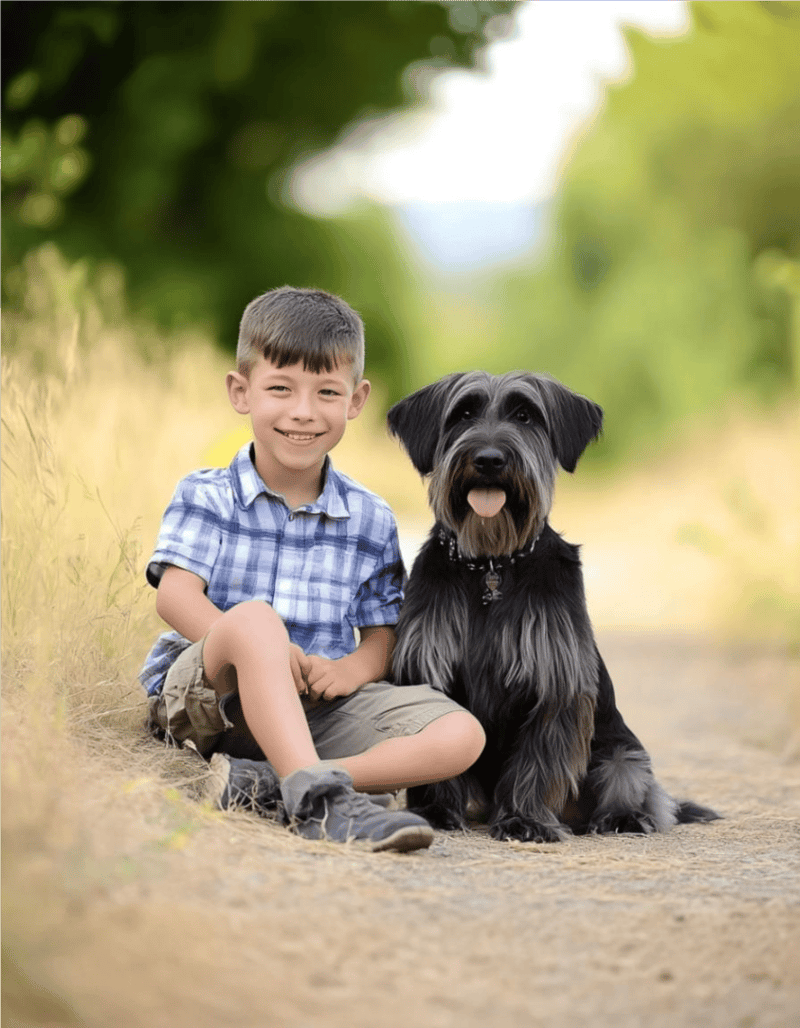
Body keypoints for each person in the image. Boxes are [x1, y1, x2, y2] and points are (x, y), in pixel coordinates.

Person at [139, 286, 485, 852]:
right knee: (255, 622)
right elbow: (175, 597)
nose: (303, 411)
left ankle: (278, 784)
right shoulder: (208, 494)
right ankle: (322, 805)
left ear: (356, 399)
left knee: (462, 734)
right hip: (210, 697)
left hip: (317, 709)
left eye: (327, 392)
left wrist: (352, 669)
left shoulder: (369, 516)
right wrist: (266, 647)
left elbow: (383, 634)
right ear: (240, 391)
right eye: (280, 389)